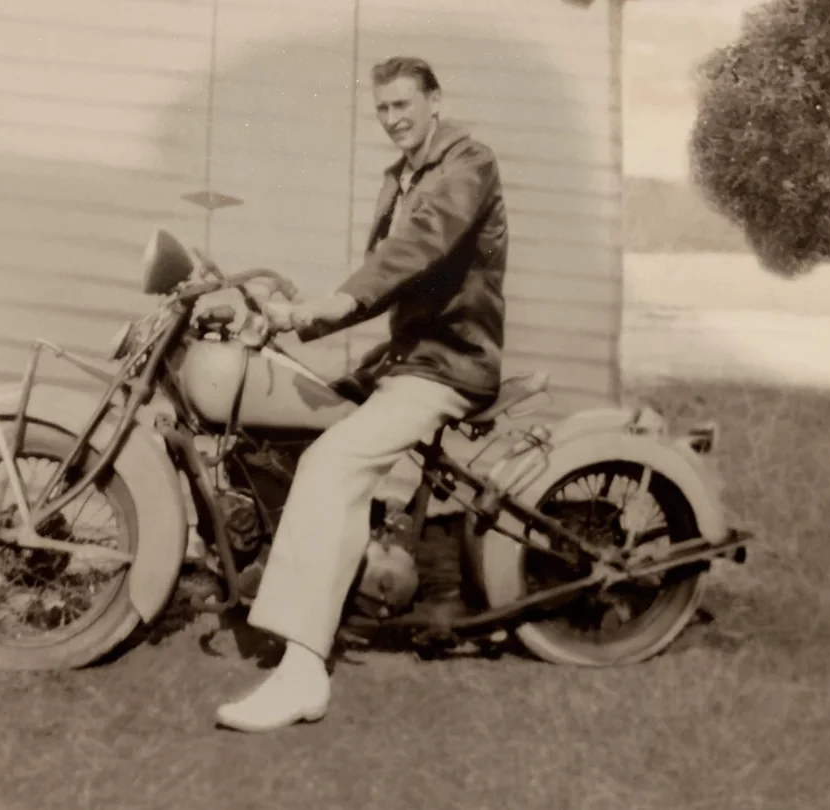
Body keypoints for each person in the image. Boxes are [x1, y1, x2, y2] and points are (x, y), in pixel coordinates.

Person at [215, 56, 509, 733]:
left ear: (436, 101)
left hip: (449, 362)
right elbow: (385, 282)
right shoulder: (401, 176)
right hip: (404, 357)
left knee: (331, 464)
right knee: (289, 424)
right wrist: (302, 316)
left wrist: (336, 300)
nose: (393, 117)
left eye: (404, 104)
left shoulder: (468, 162)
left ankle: (302, 674)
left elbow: (417, 249)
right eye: (382, 108)